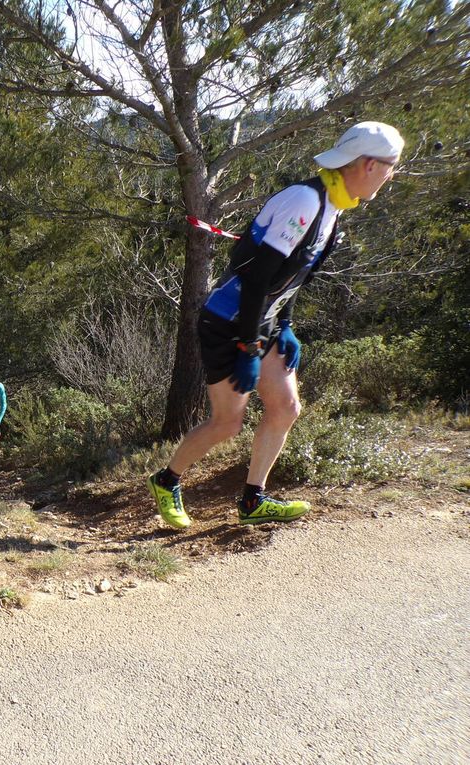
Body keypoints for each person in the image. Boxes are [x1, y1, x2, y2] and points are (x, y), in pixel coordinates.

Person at [148, 122, 404, 529]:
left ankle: (253, 500)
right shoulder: (304, 201)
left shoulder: (332, 208)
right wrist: (249, 346)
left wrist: (284, 324)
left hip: (259, 321)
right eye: (391, 167)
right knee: (227, 423)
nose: (392, 175)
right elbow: (255, 278)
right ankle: (166, 480)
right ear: (370, 165)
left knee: (286, 407)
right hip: (228, 322)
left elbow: (290, 278)